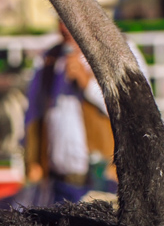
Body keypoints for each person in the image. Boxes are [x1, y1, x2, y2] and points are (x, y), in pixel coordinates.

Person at [24, 30, 114, 203]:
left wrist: (87, 83)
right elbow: (34, 112)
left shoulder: (109, 54)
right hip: (58, 182)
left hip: (100, 179)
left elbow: (128, 108)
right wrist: (32, 158)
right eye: (61, 20)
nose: (64, 27)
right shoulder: (49, 59)